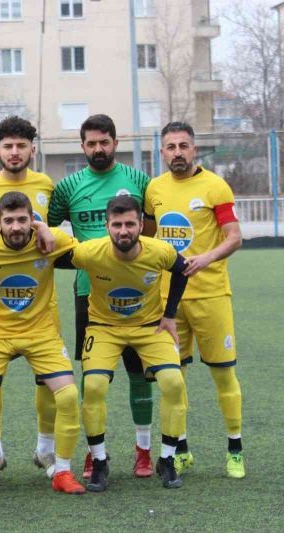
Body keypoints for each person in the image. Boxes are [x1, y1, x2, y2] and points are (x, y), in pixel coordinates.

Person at [47, 114, 156, 478]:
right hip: (89, 291)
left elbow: (152, 227)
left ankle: (144, 451)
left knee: (139, 374)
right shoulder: (68, 187)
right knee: (94, 377)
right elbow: (48, 231)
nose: (98, 148)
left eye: (104, 142)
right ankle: (96, 451)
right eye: (91, 143)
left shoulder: (138, 180)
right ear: (82, 146)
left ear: (115, 143)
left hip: (137, 291)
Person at [0, 191, 85, 497]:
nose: (16, 227)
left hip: (41, 332)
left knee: (68, 396)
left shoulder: (51, 239)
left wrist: (44, 229)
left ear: (32, 220)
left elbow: (81, 249)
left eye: (22, 220)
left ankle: (63, 471)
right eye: (9, 221)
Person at [144, 121, 245, 478]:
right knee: (174, 378)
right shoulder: (154, 189)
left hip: (211, 296)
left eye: (183, 146)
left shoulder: (215, 186)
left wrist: (207, 258)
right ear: (162, 152)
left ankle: (235, 450)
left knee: (223, 374)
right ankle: (180, 450)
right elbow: (148, 239)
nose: (177, 152)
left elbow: (234, 236)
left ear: (194, 149)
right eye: (171, 147)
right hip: (167, 301)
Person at [0, 116, 59, 480]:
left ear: (33, 149)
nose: (14, 152)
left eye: (21, 146)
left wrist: (43, 226)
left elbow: (55, 234)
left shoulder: (45, 185)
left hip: (42, 305)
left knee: (48, 381)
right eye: (8, 146)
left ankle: (46, 448)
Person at [70, 195, 189, 491]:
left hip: (149, 328)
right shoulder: (89, 252)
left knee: (174, 383)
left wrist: (170, 315)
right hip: (104, 327)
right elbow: (54, 257)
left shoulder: (160, 250)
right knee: (93, 386)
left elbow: (181, 270)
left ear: (140, 225)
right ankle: (99, 461)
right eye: (117, 225)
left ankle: (167, 459)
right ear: (107, 226)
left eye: (130, 224)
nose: (123, 231)